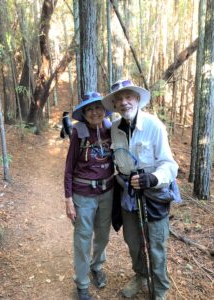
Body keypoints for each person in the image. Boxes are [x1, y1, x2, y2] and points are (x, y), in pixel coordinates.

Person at [102, 79, 179, 300]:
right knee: (133, 241)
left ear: (137, 99)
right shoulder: (115, 128)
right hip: (128, 193)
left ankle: (160, 289)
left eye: (129, 97)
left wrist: (153, 179)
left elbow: (170, 165)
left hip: (154, 194)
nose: (124, 102)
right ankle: (141, 276)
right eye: (119, 99)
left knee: (155, 244)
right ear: (115, 105)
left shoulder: (154, 125)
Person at [64, 91, 114, 300]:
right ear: (84, 113)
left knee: (102, 236)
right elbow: (68, 168)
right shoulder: (79, 132)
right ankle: (82, 286)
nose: (95, 112)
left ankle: (97, 266)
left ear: (104, 110)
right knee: (83, 240)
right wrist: (68, 200)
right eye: (89, 109)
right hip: (83, 195)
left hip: (107, 193)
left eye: (98, 107)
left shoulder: (112, 129)